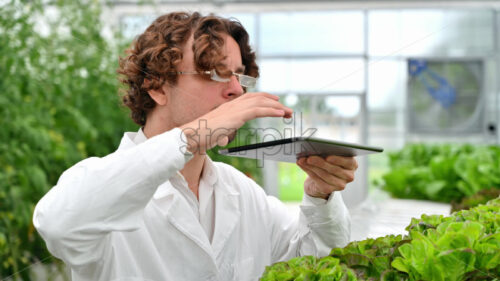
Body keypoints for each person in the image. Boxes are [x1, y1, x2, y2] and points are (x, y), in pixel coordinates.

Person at [33, 11, 357, 281]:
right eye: (215, 73)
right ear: (156, 86)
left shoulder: (242, 194)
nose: (235, 91)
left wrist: (320, 195)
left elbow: (319, 259)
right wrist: (193, 135)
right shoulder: (108, 190)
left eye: (240, 77)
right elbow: (58, 223)